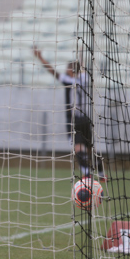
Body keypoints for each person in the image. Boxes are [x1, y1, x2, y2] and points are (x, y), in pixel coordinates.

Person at [33, 46, 103, 180]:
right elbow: (81, 67)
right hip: (86, 118)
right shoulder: (85, 79)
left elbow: (53, 72)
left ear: (71, 71)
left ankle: (86, 172)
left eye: (67, 68)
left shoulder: (68, 81)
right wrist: (81, 55)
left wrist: (40, 57)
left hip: (74, 120)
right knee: (89, 148)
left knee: (78, 148)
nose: (65, 70)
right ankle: (100, 172)